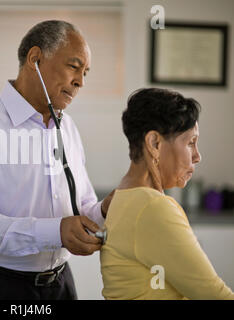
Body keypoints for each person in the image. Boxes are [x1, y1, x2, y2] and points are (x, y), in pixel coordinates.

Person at [0, 20, 113, 300]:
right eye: (74, 66)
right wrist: (54, 231)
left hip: (60, 285)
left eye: (85, 73)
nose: (80, 82)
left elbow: (81, 208)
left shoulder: (67, 127)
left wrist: (105, 209)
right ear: (35, 59)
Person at [100, 88, 234, 300]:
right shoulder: (153, 207)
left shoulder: (122, 197)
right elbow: (214, 296)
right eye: (190, 142)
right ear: (154, 143)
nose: (197, 156)